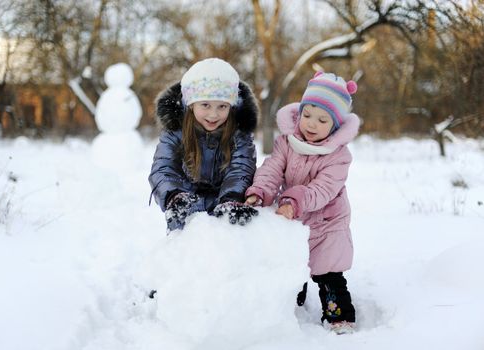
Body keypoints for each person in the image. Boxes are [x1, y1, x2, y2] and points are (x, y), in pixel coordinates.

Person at [245, 71, 360, 334]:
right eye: (307, 114)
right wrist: (260, 191)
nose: (311, 123)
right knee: (292, 263)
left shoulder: (339, 156)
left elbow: (323, 189)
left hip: (327, 222)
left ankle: (339, 317)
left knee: (327, 272)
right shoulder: (288, 142)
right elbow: (273, 168)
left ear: (336, 125)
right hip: (294, 216)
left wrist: (293, 201)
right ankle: (292, 303)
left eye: (322, 119)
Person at [149, 58, 259, 234]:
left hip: (224, 209)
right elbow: (163, 167)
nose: (213, 114)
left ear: (231, 107)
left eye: (222, 106)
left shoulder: (239, 133)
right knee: (186, 256)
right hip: (186, 211)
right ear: (191, 104)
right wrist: (174, 196)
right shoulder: (175, 130)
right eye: (205, 105)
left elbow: (241, 168)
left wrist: (231, 197)